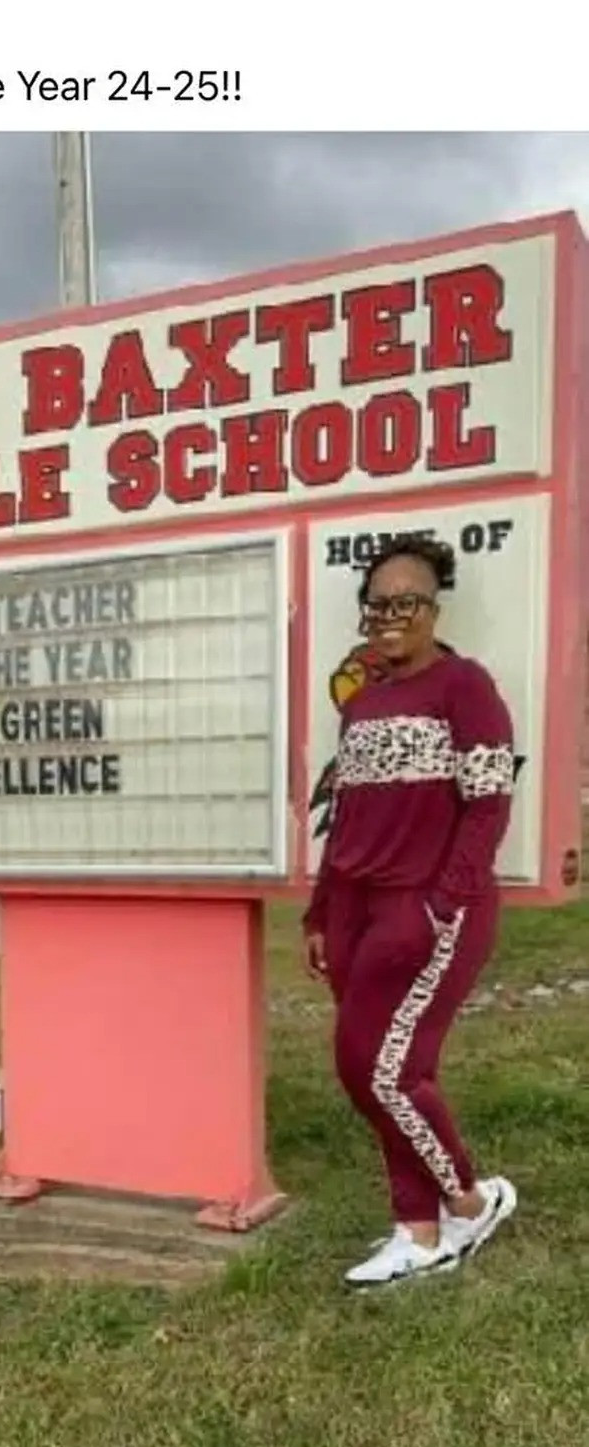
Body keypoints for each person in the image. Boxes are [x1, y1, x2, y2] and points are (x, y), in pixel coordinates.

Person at [302, 534, 518, 1287]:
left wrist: (443, 901)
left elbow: (487, 806)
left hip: (422, 906)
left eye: (408, 602)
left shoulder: (464, 686)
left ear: (433, 608)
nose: (391, 616)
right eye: (378, 604)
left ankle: (467, 1200)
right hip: (354, 907)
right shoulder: (361, 704)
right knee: (378, 1067)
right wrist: (319, 914)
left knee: (380, 1071)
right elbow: (346, 822)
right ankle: (417, 1229)